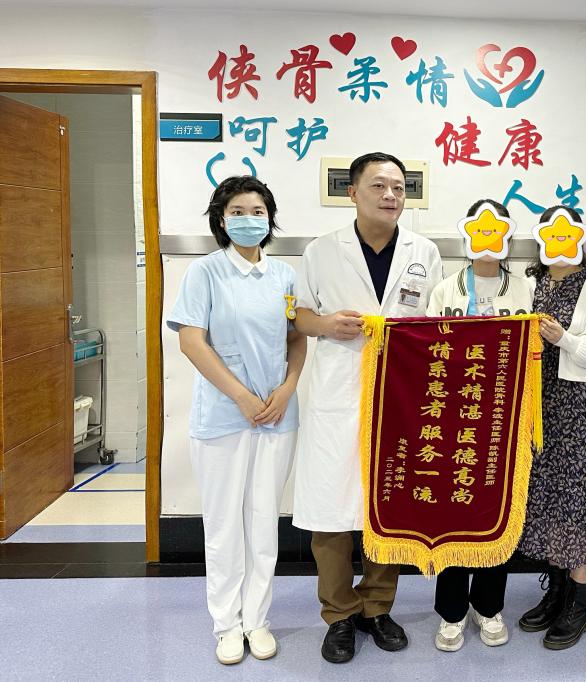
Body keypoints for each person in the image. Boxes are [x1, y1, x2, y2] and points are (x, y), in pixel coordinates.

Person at [291, 152, 442, 664]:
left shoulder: (424, 251)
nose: (391, 195)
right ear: (352, 192)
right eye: (378, 185)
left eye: (399, 187)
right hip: (338, 392)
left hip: (402, 392)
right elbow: (300, 316)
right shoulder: (321, 251)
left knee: (388, 500)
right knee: (331, 506)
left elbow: (438, 321)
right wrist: (325, 325)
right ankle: (339, 614)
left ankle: (378, 607)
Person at [167, 176, 305, 665]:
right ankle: (227, 624)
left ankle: (257, 620)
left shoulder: (284, 275)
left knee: (264, 522)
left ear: (270, 219)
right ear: (222, 221)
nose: (249, 219)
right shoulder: (205, 272)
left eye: (258, 211)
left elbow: (296, 338)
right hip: (225, 417)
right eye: (238, 212)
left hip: (277, 416)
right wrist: (243, 397)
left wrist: (287, 389)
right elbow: (191, 341)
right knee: (225, 524)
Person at [427, 199, 535, 652]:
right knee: (453, 515)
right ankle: (451, 613)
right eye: (480, 229)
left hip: (505, 420)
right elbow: (429, 351)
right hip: (455, 418)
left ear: (507, 237)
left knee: (497, 512)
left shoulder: (524, 290)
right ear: (468, 234)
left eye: (497, 230)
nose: (488, 238)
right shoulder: (445, 291)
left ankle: (489, 607)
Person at [517, 206, 586, 651]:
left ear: (579, 239)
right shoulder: (530, 283)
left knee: (579, 500)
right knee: (548, 499)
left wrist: (565, 339)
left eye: (567, 234)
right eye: (552, 234)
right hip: (537, 408)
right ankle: (556, 591)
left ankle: (579, 604)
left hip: (580, 408)